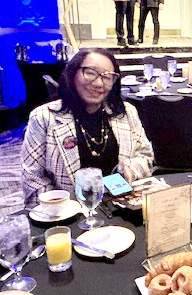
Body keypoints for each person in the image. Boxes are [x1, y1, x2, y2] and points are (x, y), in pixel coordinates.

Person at [21, 48, 154, 207]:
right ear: (72, 74)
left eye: (107, 76)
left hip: (121, 207)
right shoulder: (44, 117)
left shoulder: (126, 112)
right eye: (90, 72)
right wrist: (65, 210)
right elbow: (32, 178)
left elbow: (146, 155)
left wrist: (130, 170)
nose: (99, 83)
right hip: (69, 215)